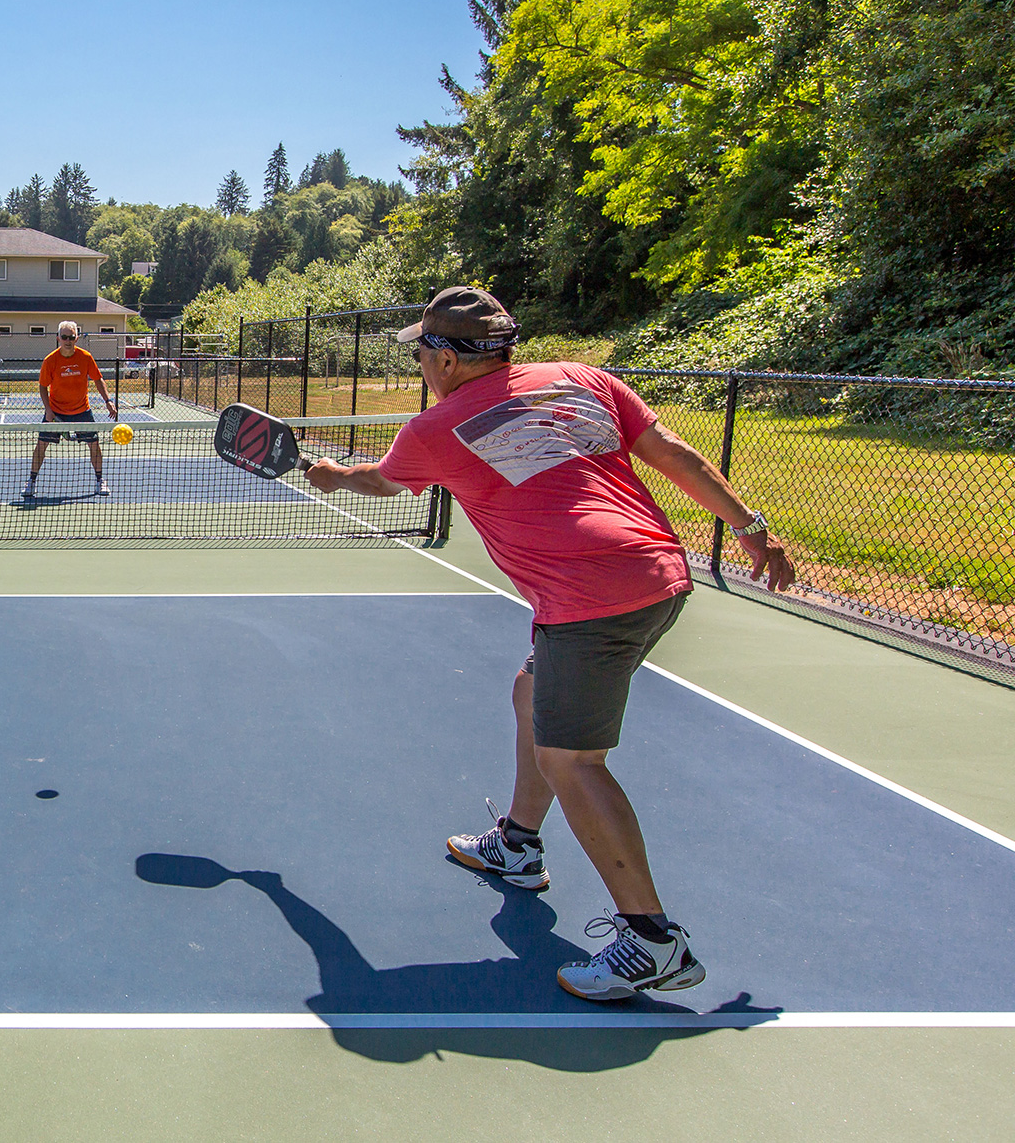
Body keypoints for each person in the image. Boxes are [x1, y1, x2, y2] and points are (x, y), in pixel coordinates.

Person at [302, 286, 795, 1002]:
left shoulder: (440, 426)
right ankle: (519, 843)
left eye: (421, 350)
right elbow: (672, 454)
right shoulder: (581, 379)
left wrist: (328, 475)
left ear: (444, 357)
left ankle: (653, 940)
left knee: (573, 759)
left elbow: (379, 480)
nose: (419, 361)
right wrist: (750, 526)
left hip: (588, 597)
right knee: (532, 691)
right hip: (660, 576)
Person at [23, 322, 117, 499]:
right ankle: (31, 482)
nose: (68, 340)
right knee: (41, 446)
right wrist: (48, 410)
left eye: (71, 337)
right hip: (56, 412)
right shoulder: (50, 360)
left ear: (77, 338)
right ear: (58, 337)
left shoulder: (86, 357)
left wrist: (108, 400)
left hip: (82, 411)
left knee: (95, 445)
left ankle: (100, 480)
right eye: (64, 337)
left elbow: (98, 379)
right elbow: (43, 387)